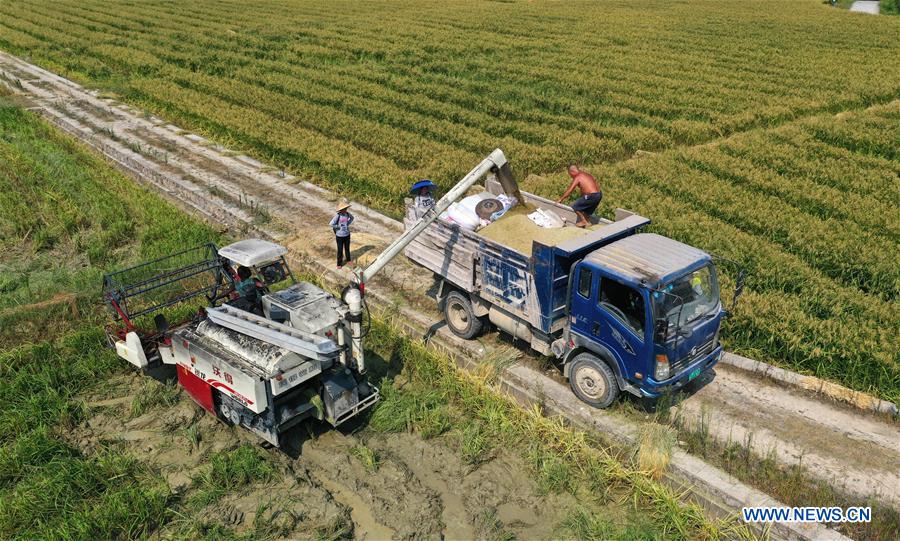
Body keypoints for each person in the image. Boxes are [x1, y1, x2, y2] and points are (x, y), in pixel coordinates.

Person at [330, 199, 354, 268]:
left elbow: (352, 218)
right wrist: (338, 227)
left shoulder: (347, 214)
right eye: (344, 208)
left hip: (347, 234)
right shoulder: (338, 215)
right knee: (340, 250)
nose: (346, 209)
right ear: (341, 209)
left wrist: (347, 224)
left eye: (346, 208)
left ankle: (348, 260)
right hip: (339, 236)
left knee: (347, 248)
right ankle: (339, 264)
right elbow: (331, 224)